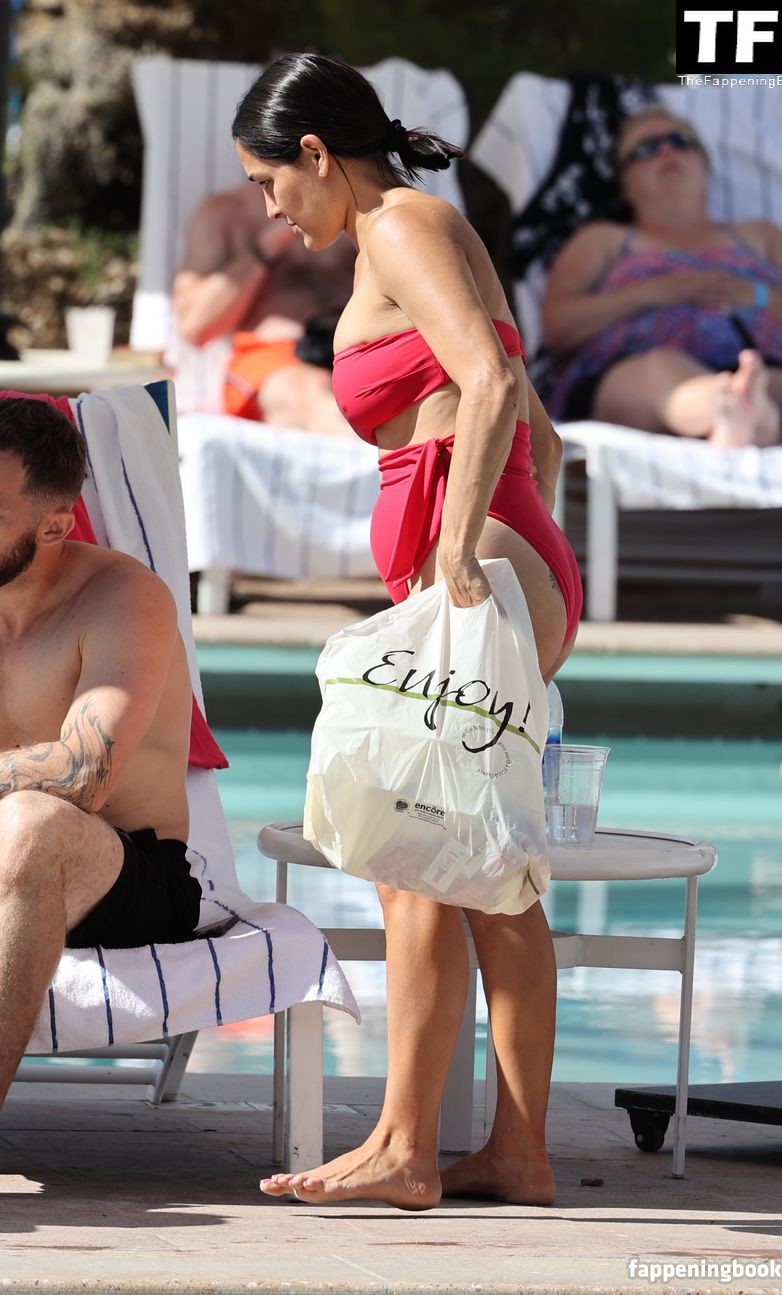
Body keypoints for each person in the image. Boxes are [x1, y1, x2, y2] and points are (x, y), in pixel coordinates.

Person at [231, 51, 584, 1211]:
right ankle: (516, 1151)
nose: (269, 208)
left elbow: (488, 385)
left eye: (268, 181)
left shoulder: (399, 228)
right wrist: (513, 548)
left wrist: (460, 547)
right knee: (483, 865)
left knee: (411, 847)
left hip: (475, 560)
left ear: (316, 154)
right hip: (507, 558)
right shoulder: (429, 227)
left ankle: (403, 1147)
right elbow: (542, 431)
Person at [0, 397, 199, 1110]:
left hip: (129, 870)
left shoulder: (124, 598)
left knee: (32, 824)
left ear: (54, 526)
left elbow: (83, 776)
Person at [539, 106, 782, 448]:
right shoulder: (604, 240)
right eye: (646, 148)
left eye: (681, 141)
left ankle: (741, 415)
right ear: (625, 184)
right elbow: (558, 327)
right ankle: (740, 412)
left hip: (762, 363)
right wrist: (649, 293)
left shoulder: (761, 236)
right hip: (637, 371)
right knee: (659, 372)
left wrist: (752, 295)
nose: (667, 151)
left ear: (704, 167)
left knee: (774, 381)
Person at [172, 179, 355, 432]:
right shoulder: (227, 213)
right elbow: (195, 327)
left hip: (356, 344)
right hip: (271, 356)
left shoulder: (362, 202)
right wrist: (269, 244)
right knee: (304, 394)